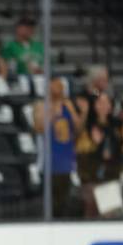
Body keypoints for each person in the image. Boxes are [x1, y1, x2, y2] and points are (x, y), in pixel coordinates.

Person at [32, 77, 83, 217]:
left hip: (66, 163)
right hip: (48, 164)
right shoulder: (41, 105)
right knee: (49, 205)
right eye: (55, 86)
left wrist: (73, 110)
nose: (58, 90)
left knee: (65, 204)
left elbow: (78, 129)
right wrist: (53, 114)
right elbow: (38, 127)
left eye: (60, 87)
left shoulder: (68, 105)